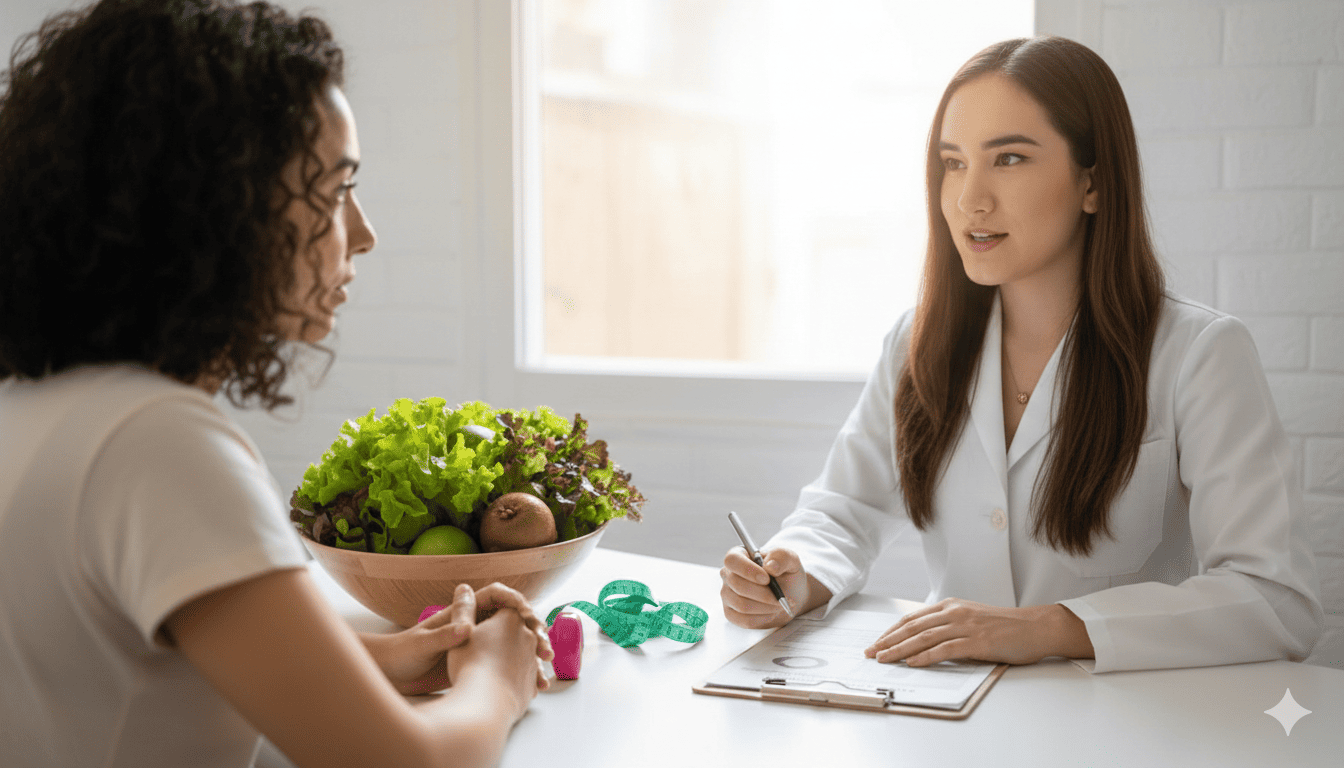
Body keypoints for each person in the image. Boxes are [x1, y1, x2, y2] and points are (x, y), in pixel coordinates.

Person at [0, 1, 551, 766]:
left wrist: (381, 659)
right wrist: (498, 680)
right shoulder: (154, 441)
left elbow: (133, 674)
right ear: (213, 207)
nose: (362, 232)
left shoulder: (35, 406)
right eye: (333, 192)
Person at [719, 36, 1323, 674]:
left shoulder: (1199, 355)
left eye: (1008, 158)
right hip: (945, 715)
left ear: (1093, 181)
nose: (970, 199)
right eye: (953, 163)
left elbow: (1277, 599)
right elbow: (844, 511)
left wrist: (1052, 628)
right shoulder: (914, 343)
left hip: (1124, 722)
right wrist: (792, 578)